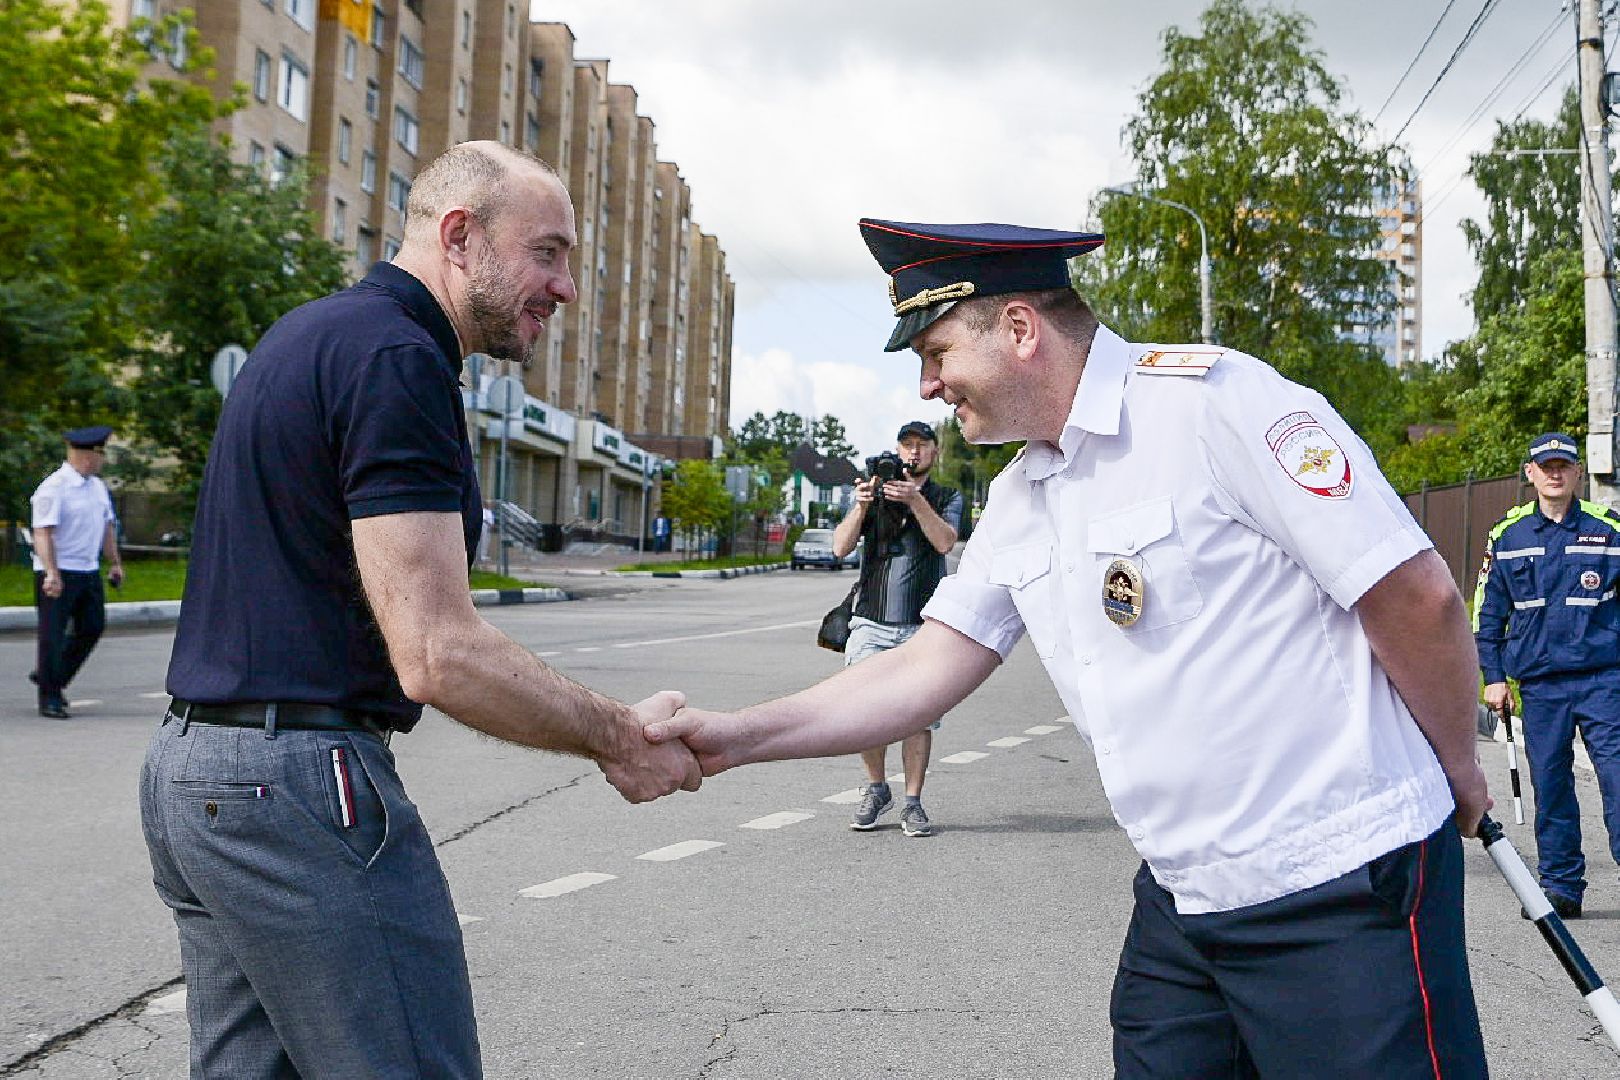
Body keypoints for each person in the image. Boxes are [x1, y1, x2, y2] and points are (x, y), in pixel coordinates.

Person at [649, 219, 1490, 1076]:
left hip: (1341, 886)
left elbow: (1413, 595)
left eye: (936, 351)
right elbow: (923, 667)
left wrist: (1456, 764)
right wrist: (733, 739)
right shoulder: (1025, 492)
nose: (931, 386)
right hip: (1184, 900)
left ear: (1019, 330)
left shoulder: (1217, 404)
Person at [139, 142, 700, 1079]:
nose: (564, 289)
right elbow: (437, 651)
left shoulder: (312, 334)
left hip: (196, 776)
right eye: (548, 253)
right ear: (459, 236)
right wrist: (617, 736)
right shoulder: (396, 357)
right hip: (295, 787)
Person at [1475, 432, 1620, 920]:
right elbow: (1488, 612)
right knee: (1552, 785)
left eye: (1564, 465)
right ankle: (1560, 887)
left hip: (1605, 680)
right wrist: (1494, 677)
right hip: (1540, 687)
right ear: (1530, 473)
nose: (1555, 473)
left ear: (1577, 472)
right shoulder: (1508, 535)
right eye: (1546, 465)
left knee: (1619, 778)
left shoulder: (1609, 529)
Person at [832, 420, 961, 836]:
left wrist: (916, 501)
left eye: (922, 445)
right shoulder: (874, 495)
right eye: (907, 445)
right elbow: (840, 547)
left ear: (934, 453)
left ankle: (912, 802)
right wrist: (862, 505)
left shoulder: (946, 496)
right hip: (871, 619)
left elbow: (944, 542)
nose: (914, 453)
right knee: (866, 710)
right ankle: (875, 788)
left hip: (924, 627)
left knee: (918, 717)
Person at [29, 425, 122, 719]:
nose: (102, 460)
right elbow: (42, 533)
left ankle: (51, 675)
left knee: (92, 627)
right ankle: (50, 697)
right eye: (100, 454)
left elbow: (107, 527)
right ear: (85, 456)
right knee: (52, 636)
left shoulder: (97, 487)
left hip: (88, 570)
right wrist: (51, 573)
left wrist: (115, 562)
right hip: (59, 572)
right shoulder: (53, 488)